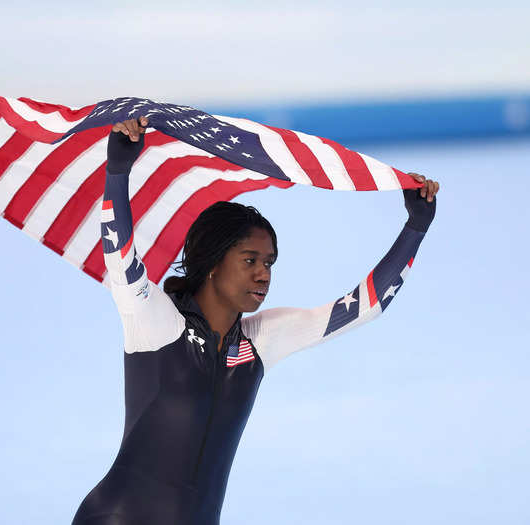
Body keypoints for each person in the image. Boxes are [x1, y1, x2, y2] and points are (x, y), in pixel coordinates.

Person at [71, 117, 439, 525]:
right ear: (213, 263)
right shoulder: (156, 321)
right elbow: (120, 259)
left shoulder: (258, 342)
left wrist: (415, 227)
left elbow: (363, 306)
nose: (263, 274)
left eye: (269, 263)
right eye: (250, 261)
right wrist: (118, 171)